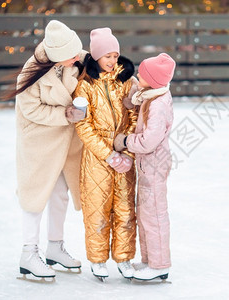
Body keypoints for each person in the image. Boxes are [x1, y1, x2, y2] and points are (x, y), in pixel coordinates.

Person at [11, 20, 86, 279]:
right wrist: (65, 113)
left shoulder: (71, 56)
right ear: (57, 55)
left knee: (60, 193)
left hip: (64, 141)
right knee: (35, 196)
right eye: (72, 55)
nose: (78, 58)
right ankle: (28, 253)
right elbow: (31, 110)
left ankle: (55, 246)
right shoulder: (31, 73)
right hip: (40, 142)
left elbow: (99, 60)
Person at [73, 27, 139, 280]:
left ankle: (124, 258)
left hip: (124, 157)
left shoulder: (126, 81)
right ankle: (98, 259)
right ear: (96, 56)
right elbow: (83, 125)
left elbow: (134, 117)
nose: (112, 61)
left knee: (125, 211)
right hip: (97, 160)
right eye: (107, 56)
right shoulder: (85, 86)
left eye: (115, 55)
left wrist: (127, 153)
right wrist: (108, 154)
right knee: (97, 210)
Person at [113, 53, 176, 281]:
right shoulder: (152, 96)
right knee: (146, 215)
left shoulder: (158, 105)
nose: (138, 75)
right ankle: (150, 260)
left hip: (154, 166)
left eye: (142, 74)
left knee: (155, 215)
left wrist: (125, 141)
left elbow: (149, 140)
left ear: (153, 79)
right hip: (148, 166)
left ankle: (160, 264)